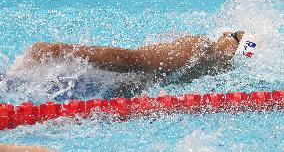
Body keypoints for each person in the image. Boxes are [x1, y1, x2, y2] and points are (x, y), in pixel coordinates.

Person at [14, 31, 245, 98]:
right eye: (234, 38)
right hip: (65, 75)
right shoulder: (197, 48)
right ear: (224, 35)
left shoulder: (215, 69)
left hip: (103, 87)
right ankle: (56, 49)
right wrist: (59, 52)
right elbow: (132, 59)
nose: (232, 48)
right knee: (136, 62)